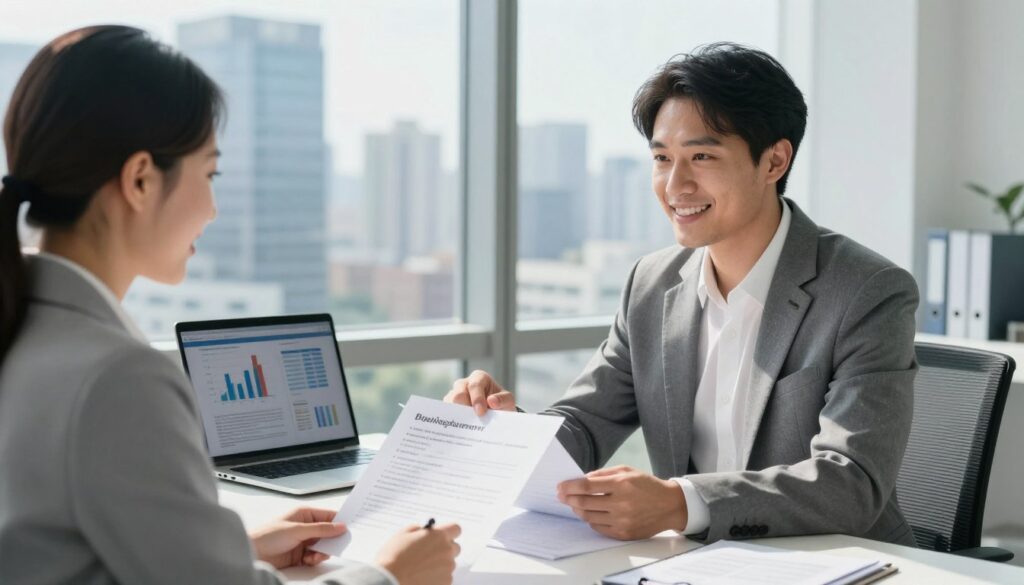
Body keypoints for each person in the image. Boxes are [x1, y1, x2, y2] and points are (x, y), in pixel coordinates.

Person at [0, 26, 459, 585]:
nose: (213, 208)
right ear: (140, 180)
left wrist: (231, 552)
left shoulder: (24, 329)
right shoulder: (118, 377)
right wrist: (391, 575)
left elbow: (64, 544)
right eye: (209, 173)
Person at [446, 43, 919, 546]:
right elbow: (584, 426)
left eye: (701, 156)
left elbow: (852, 483)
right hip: (695, 563)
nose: (675, 185)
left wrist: (679, 503)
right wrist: (504, 429)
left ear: (774, 161)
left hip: (842, 563)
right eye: (662, 158)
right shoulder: (651, 284)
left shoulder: (866, 291)